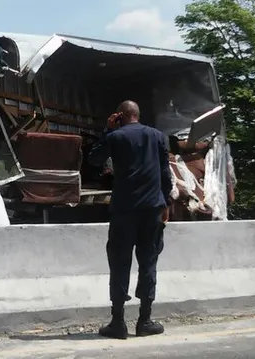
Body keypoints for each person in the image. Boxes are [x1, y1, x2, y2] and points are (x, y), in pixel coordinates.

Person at [88, 100, 172, 340]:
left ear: (120, 115)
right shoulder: (157, 136)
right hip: (152, 209)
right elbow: (166, 173)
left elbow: (94, 159)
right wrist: (166, 202)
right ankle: (145, 321)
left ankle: (118, 322)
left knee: (120, 263)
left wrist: (108, 130)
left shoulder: (115, 137)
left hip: (124, 210)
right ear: (137, 114)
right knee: (148, 262)